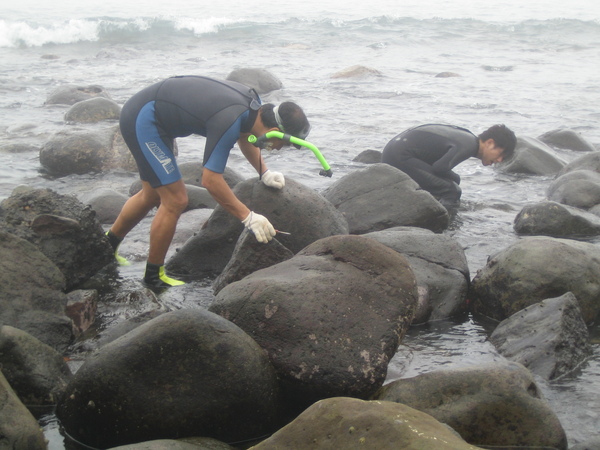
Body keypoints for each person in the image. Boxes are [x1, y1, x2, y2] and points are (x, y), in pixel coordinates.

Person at [105, 75, 311, 288]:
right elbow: (211, 180)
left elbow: (245, 136)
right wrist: (247, 217)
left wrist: (264, 172)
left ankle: (106, 247)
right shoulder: (230, 117)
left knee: (151, 194)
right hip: (144, 118)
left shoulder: (253, 110)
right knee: (175, 200)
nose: (278, 148)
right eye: (282, 144)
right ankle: (153, 277)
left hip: (153, 114)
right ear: (275, 132)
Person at [381, 123, 516, 210]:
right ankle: (444, 226)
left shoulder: (468, 138)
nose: (499, 160)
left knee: (451, 182)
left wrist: (453, 178)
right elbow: (440, 168)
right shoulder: (469, 145)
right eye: (501, 154)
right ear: (490, 143)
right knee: (452, 191)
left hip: (393, 152)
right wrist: (454, 178)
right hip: (399, 157)